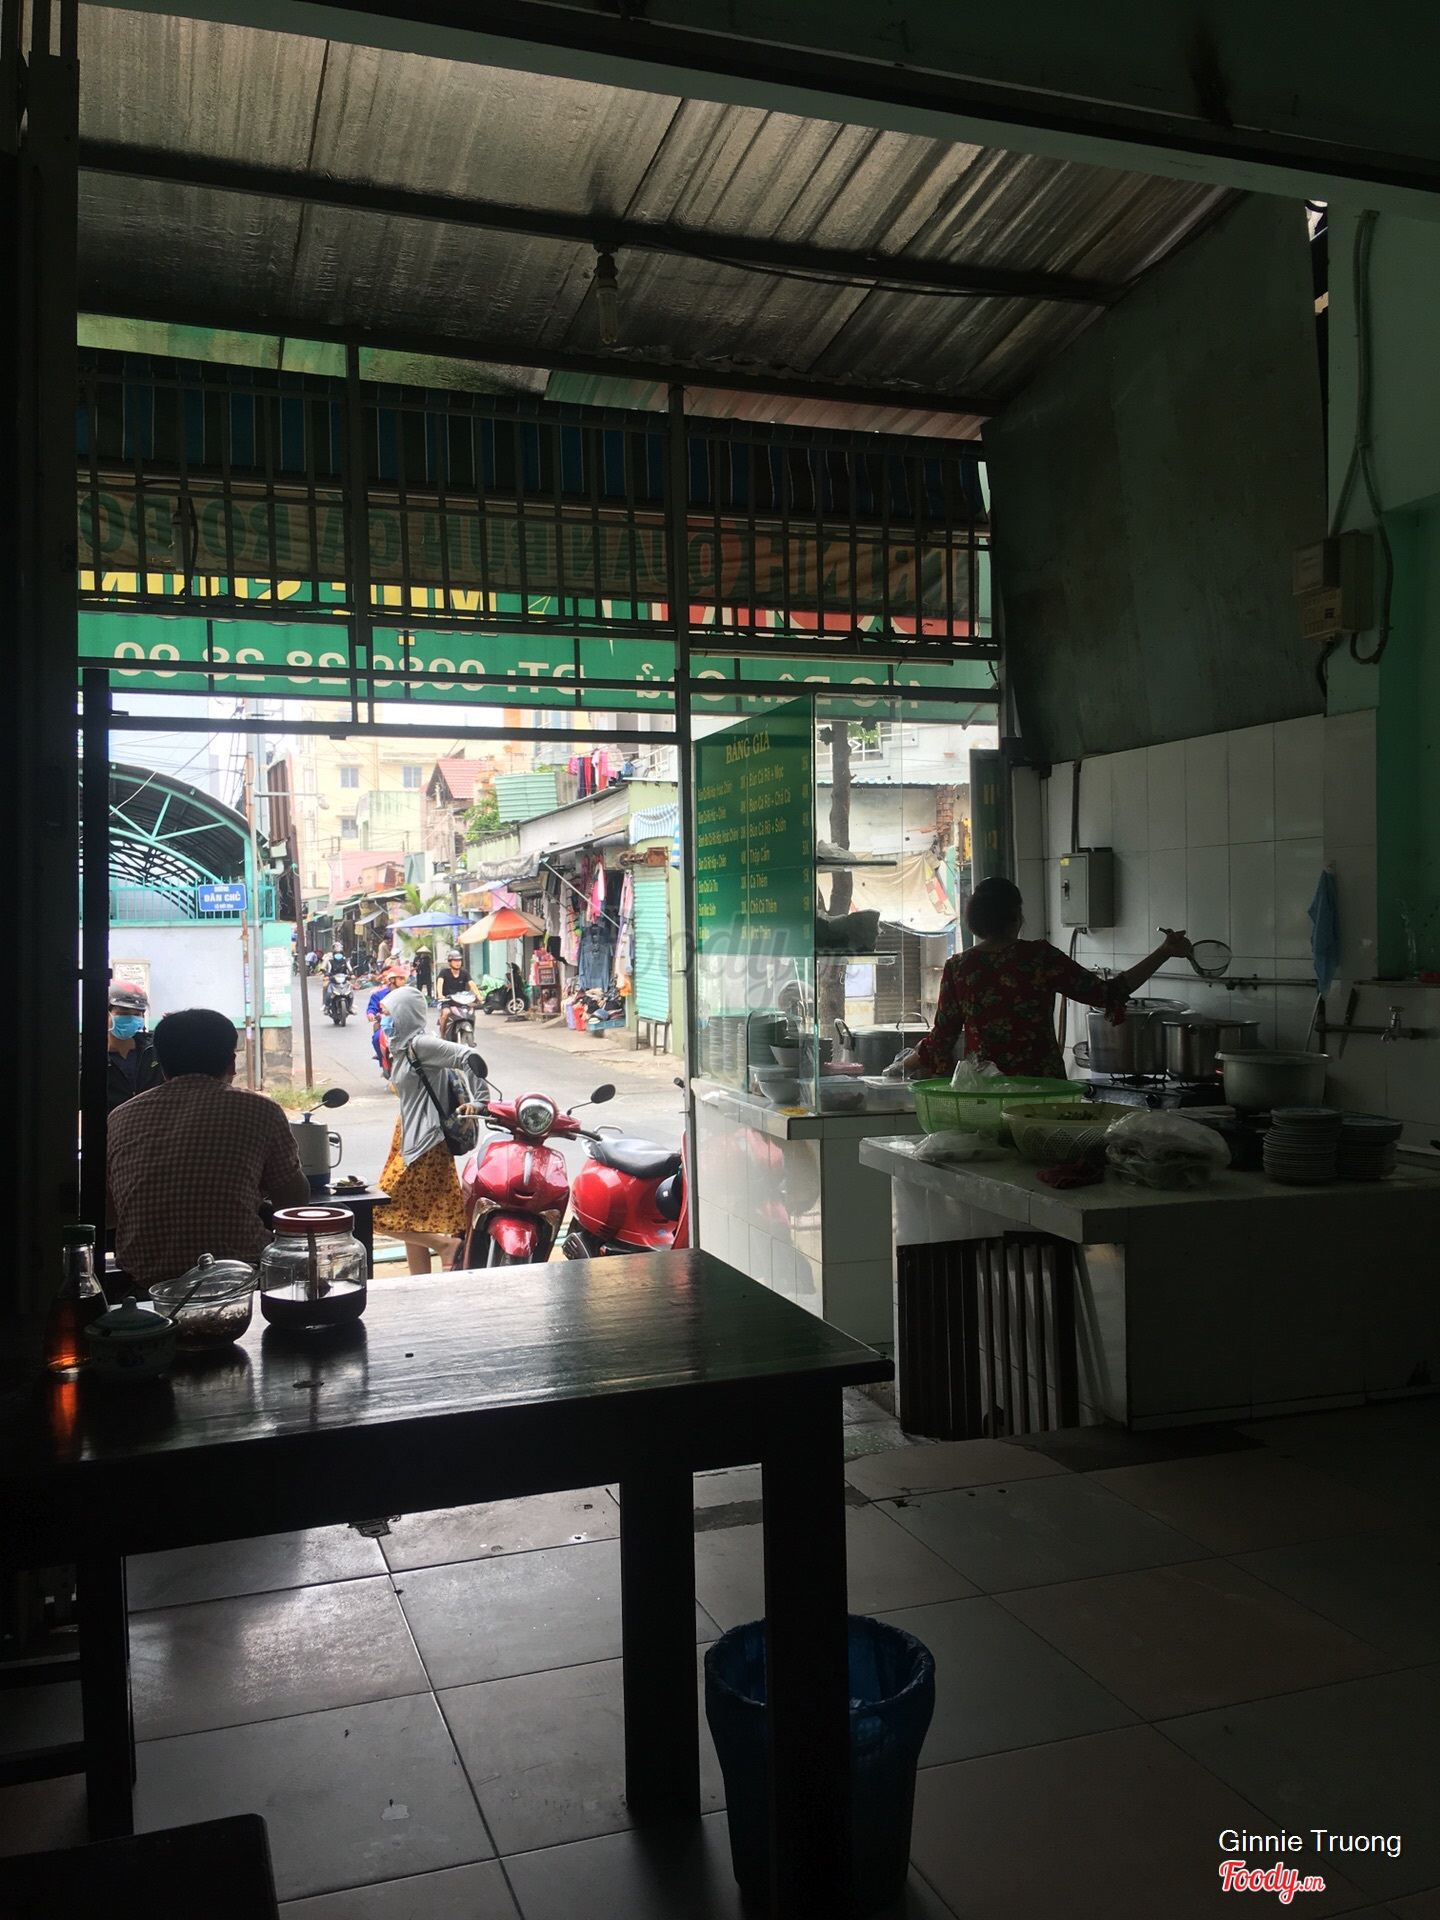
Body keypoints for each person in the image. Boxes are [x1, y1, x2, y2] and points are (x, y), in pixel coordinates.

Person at [893, 876, 1191, 1080]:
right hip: (1043, 1088)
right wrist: (1164, 952)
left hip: (987, 1089)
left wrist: (901, 1068)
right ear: (1016, 915)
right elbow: (1108, 993)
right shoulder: (1038, 957)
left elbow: (942, 1039)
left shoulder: (959, 967)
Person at [106, 1007, 310, 1290]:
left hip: (145, 1284)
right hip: (238, 1279)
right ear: (231, 1063)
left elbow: (110, 1212)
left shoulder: (121, 1116)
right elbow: (294, 1201)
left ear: (162, 1067)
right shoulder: (259, 1109)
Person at [374, 986, 487, 1273]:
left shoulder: (422, 1044)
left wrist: (481, 1101)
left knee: (374, 1211)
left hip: (426, 1141)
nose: (383, 1019)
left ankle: (446, 1246)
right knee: (413, 1219)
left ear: (404, 1014)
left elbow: (469, 1057)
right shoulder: (401, 1048)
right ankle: (420, 1286)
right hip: (407, 1138)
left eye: (387, 1013)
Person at [105, 983, 164, 1112]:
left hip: (151, 1120)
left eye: (137, 1014)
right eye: (123, 1013)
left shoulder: (154, 1050)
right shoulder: (87, 1057)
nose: (131, 1019)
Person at [436, 949, 476, 1039]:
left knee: (471, 1012)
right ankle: (441, 1034)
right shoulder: (444, 972)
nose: (458, 963)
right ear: (450, 962)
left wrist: (479, 996)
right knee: (446, 1013)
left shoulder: (464, 973)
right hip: (448, 1001)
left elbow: (472, 984)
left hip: (461, 1001)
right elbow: (439, 983)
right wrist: (440, 995)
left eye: (459, 960)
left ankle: (471, 1036)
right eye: (455, 960)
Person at [321, 943, 352, 1015]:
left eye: (340, 953)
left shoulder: (345, 961)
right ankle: (326, 1006)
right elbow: (327, 970)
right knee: (327, 990)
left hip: (343, 980)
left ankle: (350, 1006)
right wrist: (327, 976)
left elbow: (350, 969)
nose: (338, 955)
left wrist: (352, 974)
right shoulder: (330, 961)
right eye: (336, 953)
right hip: (333, 980)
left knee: (351, 989)